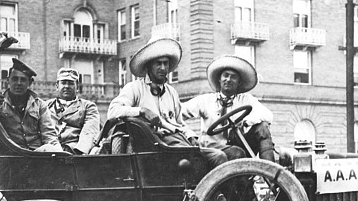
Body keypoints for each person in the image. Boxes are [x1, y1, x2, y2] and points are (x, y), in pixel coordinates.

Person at [107, 37, 226, 170]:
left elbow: (180, 123)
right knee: (201, 159)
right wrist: (142, 111)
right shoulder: (135, 88)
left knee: (219, 156)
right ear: (148, 65)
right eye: (158, 63)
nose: (163, 68)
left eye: (166, 63)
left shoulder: (171, 92)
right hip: (157, 147)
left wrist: (191, 136)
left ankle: (216, 191)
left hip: (178, 143)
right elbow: (113, 111)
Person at [182, 55, 276, 163]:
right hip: (212, 149)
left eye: (233, 77)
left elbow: (268, 115)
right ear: (219, 79)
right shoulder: (205, 100)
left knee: (262, 127)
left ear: (239, 82)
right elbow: (178, 114)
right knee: (236, 153)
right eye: (225, 76)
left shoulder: (246, 99)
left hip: (238, 146)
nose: (228, 80)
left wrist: (246, 122)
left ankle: (270, 172)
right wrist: (190, 135)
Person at [46, 68, 100, 154]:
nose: (67, 86)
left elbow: (89, 131)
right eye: (63, 83)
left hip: (73, 151)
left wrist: (80, 151)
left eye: (71, 83)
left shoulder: (88, 107)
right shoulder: (46, 106)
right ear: (57, 86)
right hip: (48, 151)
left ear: (77, 86)